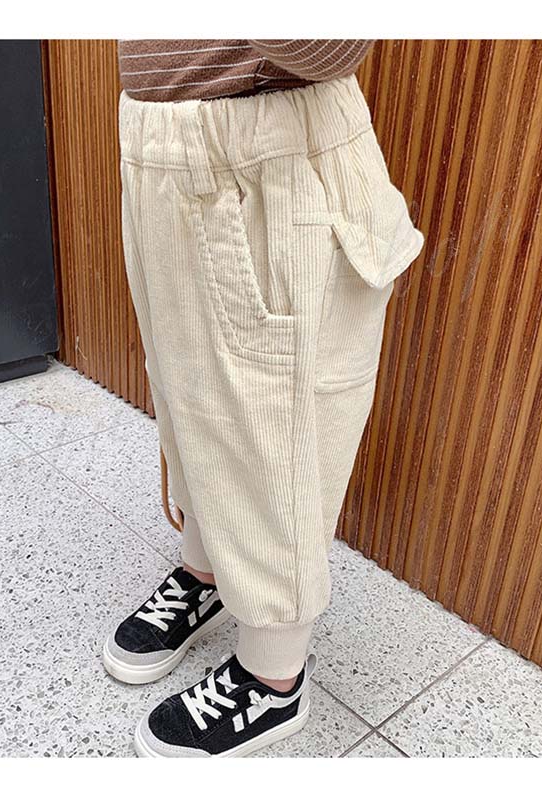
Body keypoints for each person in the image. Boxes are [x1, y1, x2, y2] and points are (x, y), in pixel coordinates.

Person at [102, 39, 424, 758]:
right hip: (161, 149)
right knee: (191, 403)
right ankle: (208, 573)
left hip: (263, 155)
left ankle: (273, 677)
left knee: (270, 428)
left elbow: (336, 42)